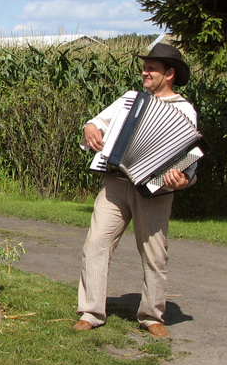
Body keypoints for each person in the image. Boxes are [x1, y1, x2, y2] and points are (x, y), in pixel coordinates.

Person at [74, 43, 197, 338]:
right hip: (116, 181)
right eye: (145, 66)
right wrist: (89, 127)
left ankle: (152, 315)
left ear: (169, 74)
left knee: (155, 254)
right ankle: (90, 312)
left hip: (155, 190)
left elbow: (191, 155)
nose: (145, 71)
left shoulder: (185, 111)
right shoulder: (130, 100)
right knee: (96, 245)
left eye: (151, 68)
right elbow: (96, 124)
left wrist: (183, 179)